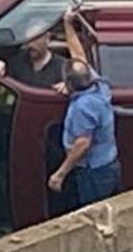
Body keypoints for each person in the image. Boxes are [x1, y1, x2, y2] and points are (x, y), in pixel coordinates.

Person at [47, 59, 121, 206]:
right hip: (109, 165)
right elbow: (79, 55)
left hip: (93, 173)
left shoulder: (83, 107)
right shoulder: (101, 87)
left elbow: (83, 143)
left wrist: (59, 174)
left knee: (93, 215)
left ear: (69, 84)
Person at [0, 10, 87, 90]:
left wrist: (68, 88)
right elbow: (0, 88)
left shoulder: (62, 67)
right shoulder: (17, 62)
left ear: (47, 39)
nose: (30, 44)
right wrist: (0, 68)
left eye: (35, 39)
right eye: (28, 39)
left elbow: (79, 85)